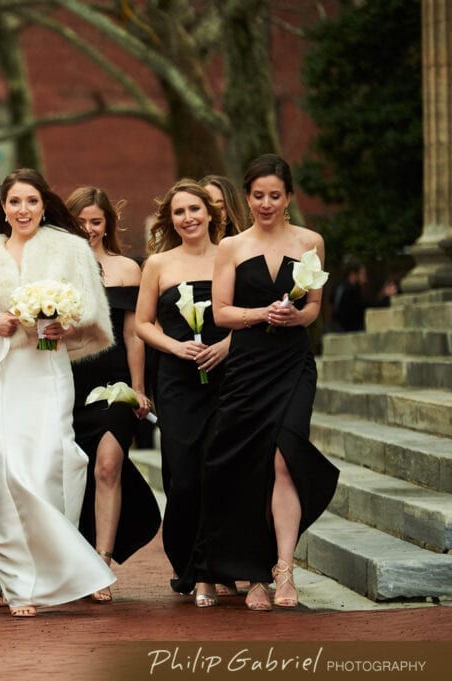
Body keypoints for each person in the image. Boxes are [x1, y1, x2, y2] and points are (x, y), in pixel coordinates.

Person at [0, 168, 115, 618]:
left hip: (47, 368)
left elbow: (93, 319)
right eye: (13, 202)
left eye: (31, 201)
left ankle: (55, 569)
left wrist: (62, 325)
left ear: (43, 203)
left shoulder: (69, 249)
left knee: (53, 464)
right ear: (3, 208)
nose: (22, 210)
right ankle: (16, 581)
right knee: (1, 466)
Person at [194, 154, 339, 611]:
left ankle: (284, 569)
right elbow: (221, 313)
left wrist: (297, 315)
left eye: (275, 195)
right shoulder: (232, 247)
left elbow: (315, 307)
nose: (266, 203)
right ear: (248, 196)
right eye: (258, 195)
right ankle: (251, 571)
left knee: (283, 459)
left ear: (290, 197)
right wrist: (262, 314)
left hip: (293, 363)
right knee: (248, 464)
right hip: (249, 365)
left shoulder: (311, 240)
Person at [135, 179, 230, 607]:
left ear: (211, 212)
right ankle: (186, 562)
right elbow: (142, 323)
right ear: (170, 220)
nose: (188, 218)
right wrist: (176, 347)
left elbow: (245, 316)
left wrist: (226, 348)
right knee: (184, 476)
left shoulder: (232, 256)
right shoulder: (158, 263)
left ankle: (210, 571)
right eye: (179, 212)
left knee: (218, 474)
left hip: (226, 378)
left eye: (195, 209)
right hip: (176, 381)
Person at [65, 186, 160, 602]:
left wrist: (138, 389)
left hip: (114, 384)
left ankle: (100, 564)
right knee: (71, 474)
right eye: (81, 222)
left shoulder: (127, 269)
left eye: (96, 221)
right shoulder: (53, 271)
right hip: (66, 383)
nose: (89, 230)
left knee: (108, 465)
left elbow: (133, 334)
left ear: (108, 224)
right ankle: (70, 559)